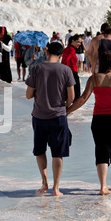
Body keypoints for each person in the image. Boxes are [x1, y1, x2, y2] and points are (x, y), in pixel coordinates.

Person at [66, 50, 111, 195]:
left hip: (99, 119)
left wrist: (67, 111)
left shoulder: (94, 79)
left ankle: (103, 186)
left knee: (101, 151)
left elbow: (82, 99)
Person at [25, 42, 76, 196]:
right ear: (60, 56)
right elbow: (72, 97)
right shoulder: (66, 70)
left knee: (40, 150)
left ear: (47, 52)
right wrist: (64, 108)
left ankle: (44, 182)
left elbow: (28, 95)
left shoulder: (36, 68)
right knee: (57, 153)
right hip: (58, 117)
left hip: (39, 116)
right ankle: (56, 188)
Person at [61, 34, 82, 101]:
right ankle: (72, 107)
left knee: (67, 91)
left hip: (67, 71)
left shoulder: (66, 49)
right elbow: (66, 60)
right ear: (72, 41)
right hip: (72, 72)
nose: (79, 44)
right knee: (76, 93)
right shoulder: (71, 50)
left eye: (80, 42)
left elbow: (63, 60)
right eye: (78, 42)